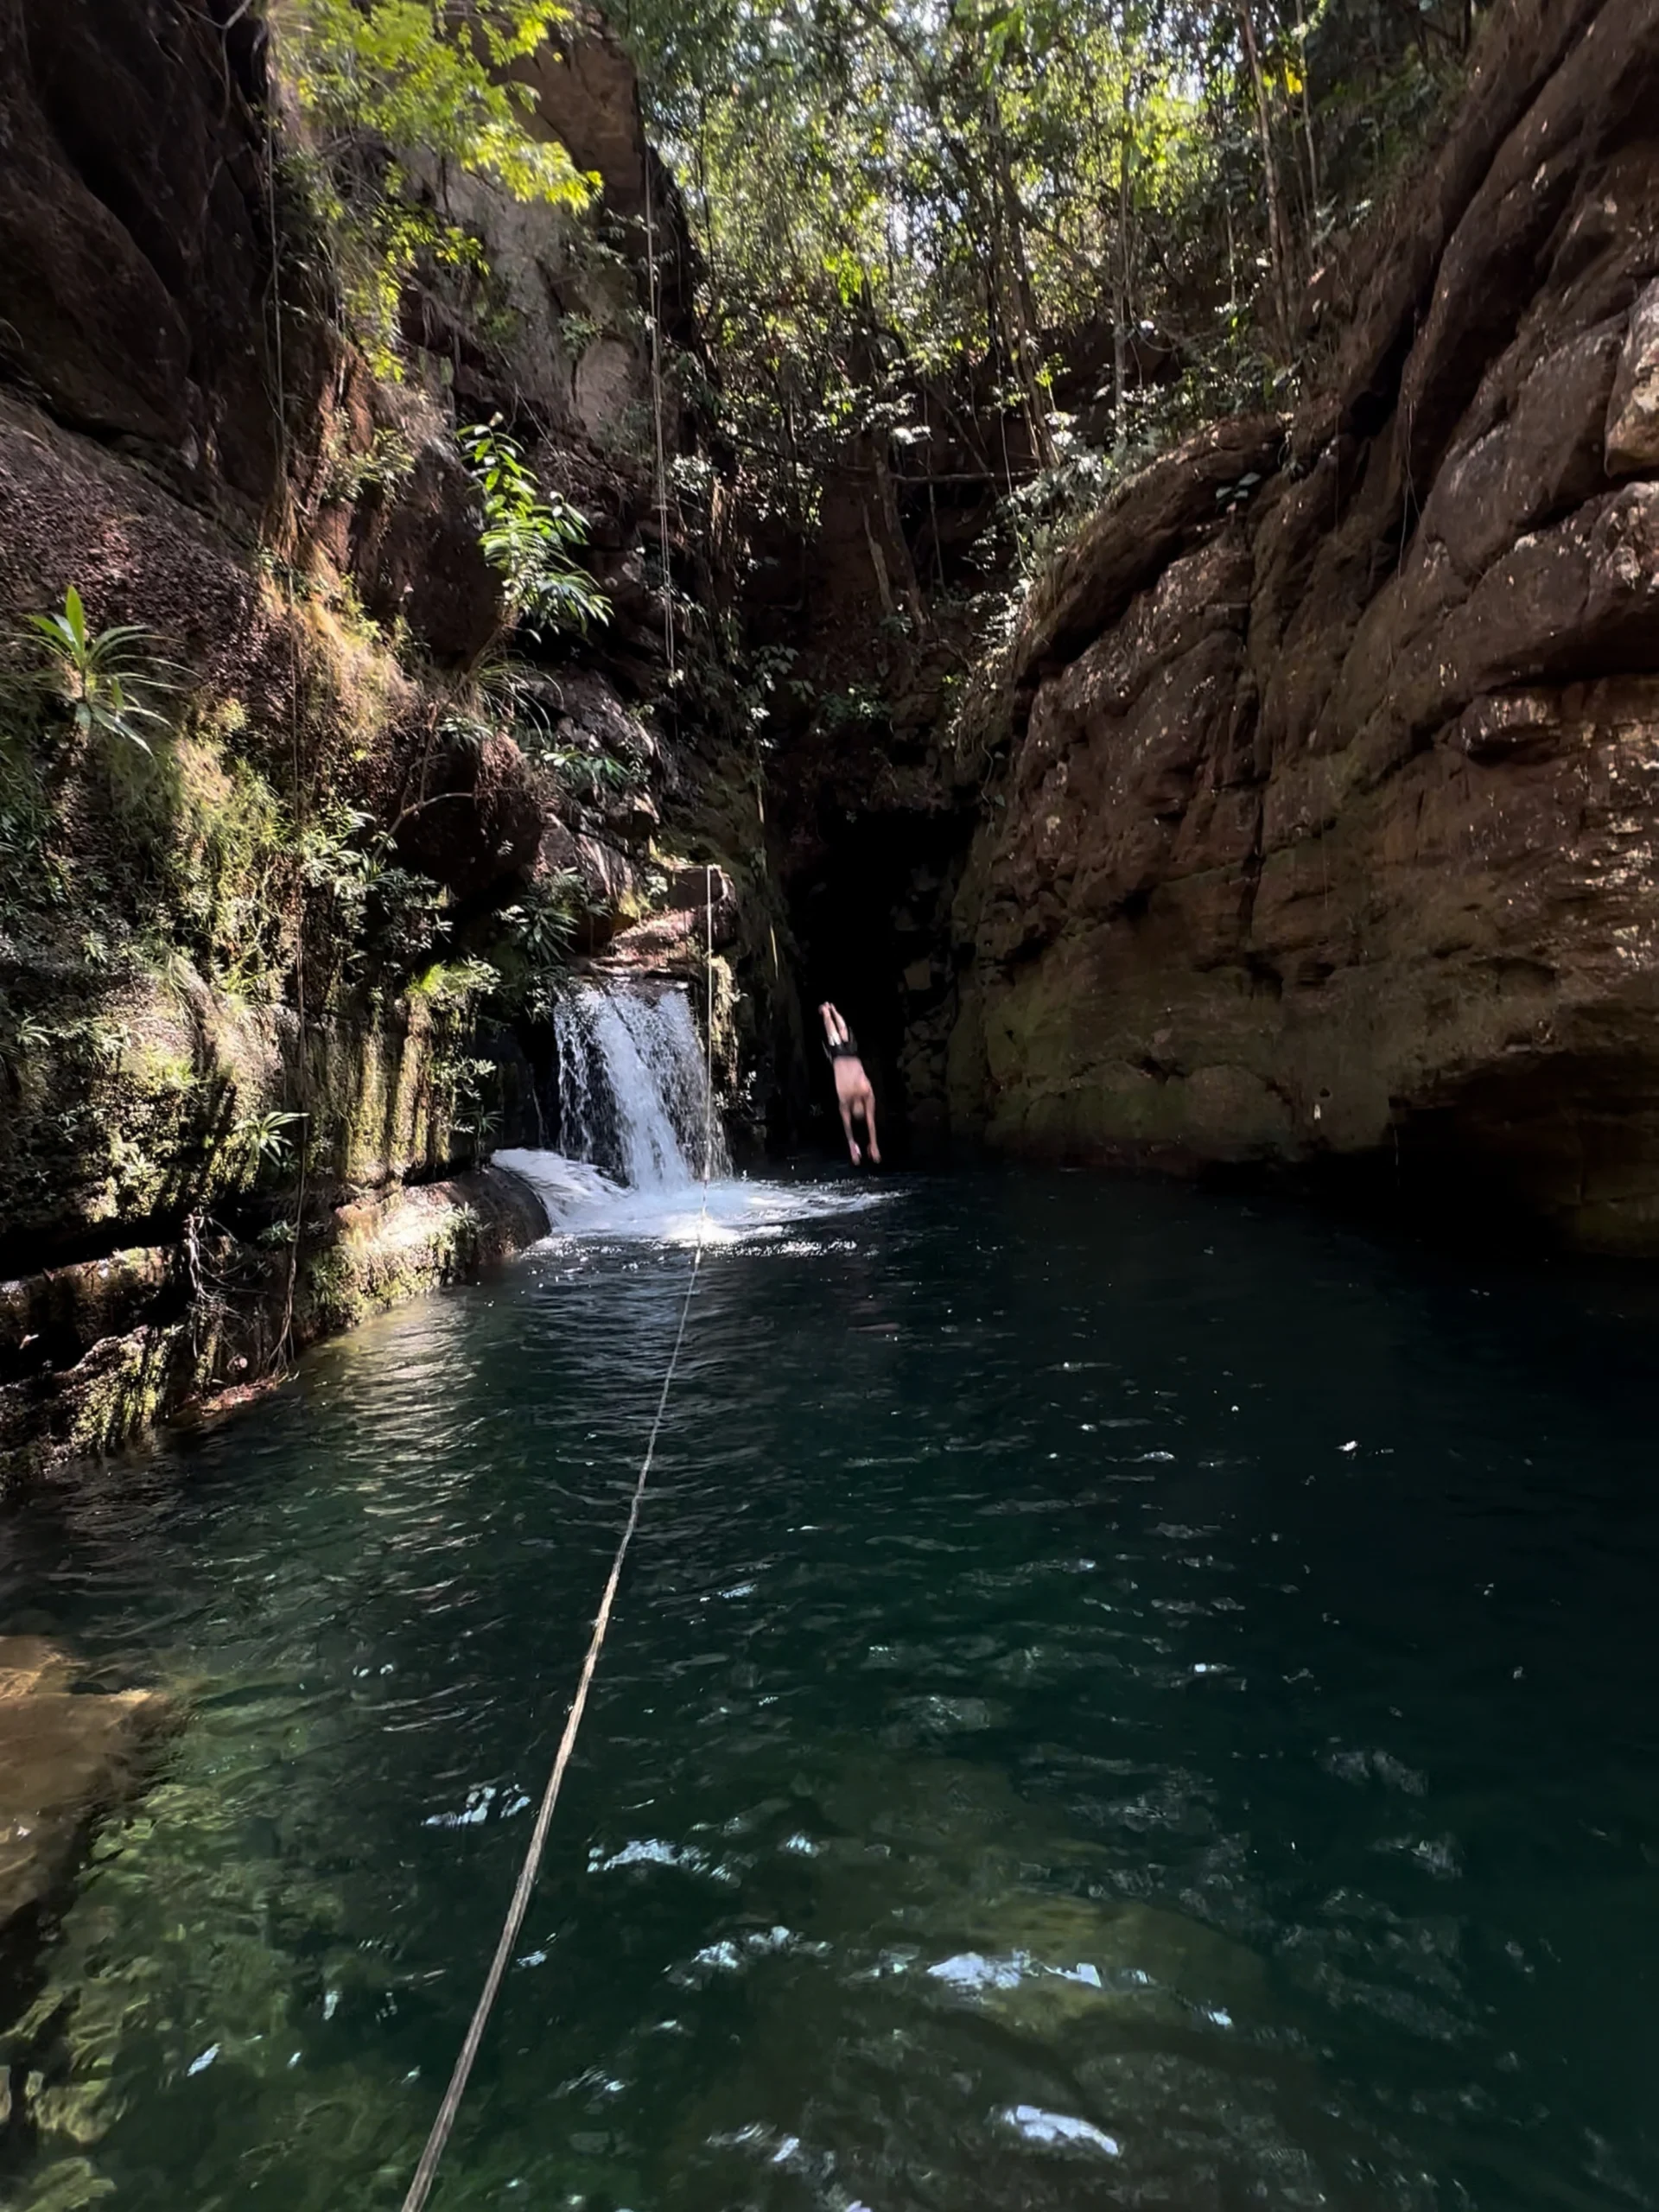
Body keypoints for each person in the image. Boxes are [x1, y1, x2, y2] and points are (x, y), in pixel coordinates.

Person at [818, 1001, 880, 1166]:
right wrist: (868, 1144)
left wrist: (858, 1145)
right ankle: (828, 1011)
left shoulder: (858, 1096)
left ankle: (831, 1010)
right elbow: (863, 1125)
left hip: (849, 1057)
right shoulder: (856, 1097)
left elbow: (865, 1124)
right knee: (836, 1033)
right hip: (841, 1058)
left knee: (842, 1032)